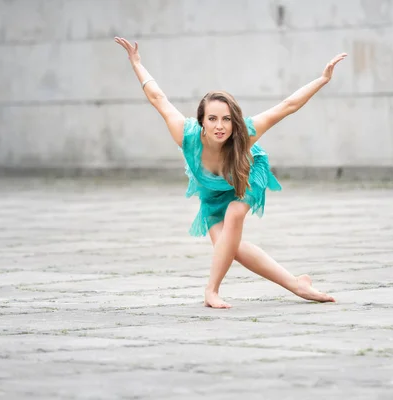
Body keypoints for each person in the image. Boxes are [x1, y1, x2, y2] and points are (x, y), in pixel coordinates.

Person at [115, 36, 347, 309]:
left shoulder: (243, 135)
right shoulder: (186, 136)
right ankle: (297, 284)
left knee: (235, 216)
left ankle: (211, 291)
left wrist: (322, 79)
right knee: (229, 248)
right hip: (212, 191)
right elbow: (158, 97)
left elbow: (287, 106)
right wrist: (137, 63)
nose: (220, 126)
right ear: (201, 121)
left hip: (246, 174)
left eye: (226, 119)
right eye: (212, 118)